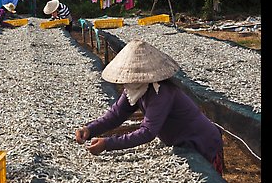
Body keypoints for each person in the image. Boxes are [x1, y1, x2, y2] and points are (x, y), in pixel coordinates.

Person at [75, 39, 224, 175]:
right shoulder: (135, 89)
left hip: (200, 141)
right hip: (181, 141)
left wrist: (108, 144)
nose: (126, 81)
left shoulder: (161, 92)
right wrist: (90, 129)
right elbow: (116, 115)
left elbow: (147, 132)